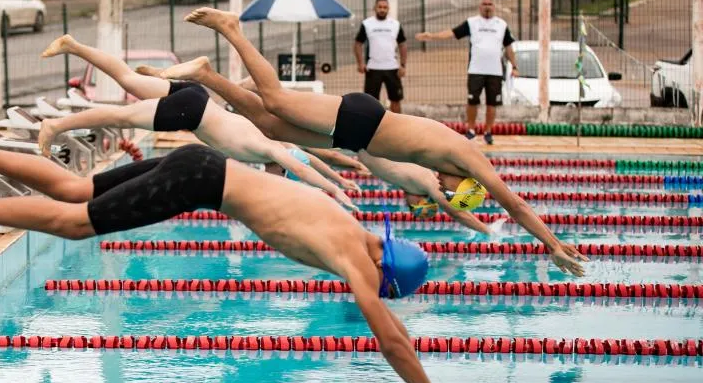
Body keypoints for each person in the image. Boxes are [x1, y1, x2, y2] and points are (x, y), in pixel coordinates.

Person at [0, 127, 480, 383]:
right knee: (73, 225)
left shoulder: (355, 230)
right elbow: (394, 340)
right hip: (201, 180)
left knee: (76, 192)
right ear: (387, 278)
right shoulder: (358, 261)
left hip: (202, 166)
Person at [179, 7, 588, 275]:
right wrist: (552, 243)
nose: (440, 190)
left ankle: (206, 76)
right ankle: (231, 28)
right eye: (449, 191)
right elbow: (513, 202)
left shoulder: (452, 167)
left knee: (270, 126)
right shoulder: (466, 157)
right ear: (460, 186)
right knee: (275, 99)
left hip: (357, 136)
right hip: (364, 117)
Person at [138, 57, 501, 236]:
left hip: (354, 143)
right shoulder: (426, 184)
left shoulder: (420, 177)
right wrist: (487, 231)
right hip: (359, 128)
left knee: (274, 122)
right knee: (275, 107)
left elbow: (327, 157)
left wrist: (345, 174)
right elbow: (458, 212)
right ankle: (236, 78)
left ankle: (214, 79)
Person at [37, 35, 357, 209]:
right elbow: (303, 166)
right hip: (192, 111)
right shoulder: (271, 150)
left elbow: (311, 158)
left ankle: (73, 45)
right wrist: (335, 192)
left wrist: (341, 181)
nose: (275, 177)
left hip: (197, 98)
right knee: (121, 115)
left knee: (127, 79)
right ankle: (55, 127)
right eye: (281, 176)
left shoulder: (276, 145)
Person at [416, 0, 519, 144]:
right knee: (472, 101)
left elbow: (509, 47)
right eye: (484, 4)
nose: (487, 6)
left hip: (495, 71)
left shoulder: (501, 25)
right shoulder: (472, 23)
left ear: (494, 6)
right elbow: (452, 33)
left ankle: (488, 132)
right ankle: (471, 130)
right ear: (480, 6)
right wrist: (432, 36)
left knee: (492, 103)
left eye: (490, 4)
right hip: (475, 69)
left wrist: (514, 66)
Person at [354, 0, 407, 114]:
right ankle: (371, 127)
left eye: (385, 7)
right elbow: (358, 44)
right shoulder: (367, 24)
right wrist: (360, 63)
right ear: (375, 8)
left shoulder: (395, 24)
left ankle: (397, 127)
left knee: (396, 100)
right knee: (370, 102)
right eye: (380, 7)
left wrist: (403, 65)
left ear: (388, 9)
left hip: (392, 69)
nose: (382, 10)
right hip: (373, 69)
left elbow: (402, 44)